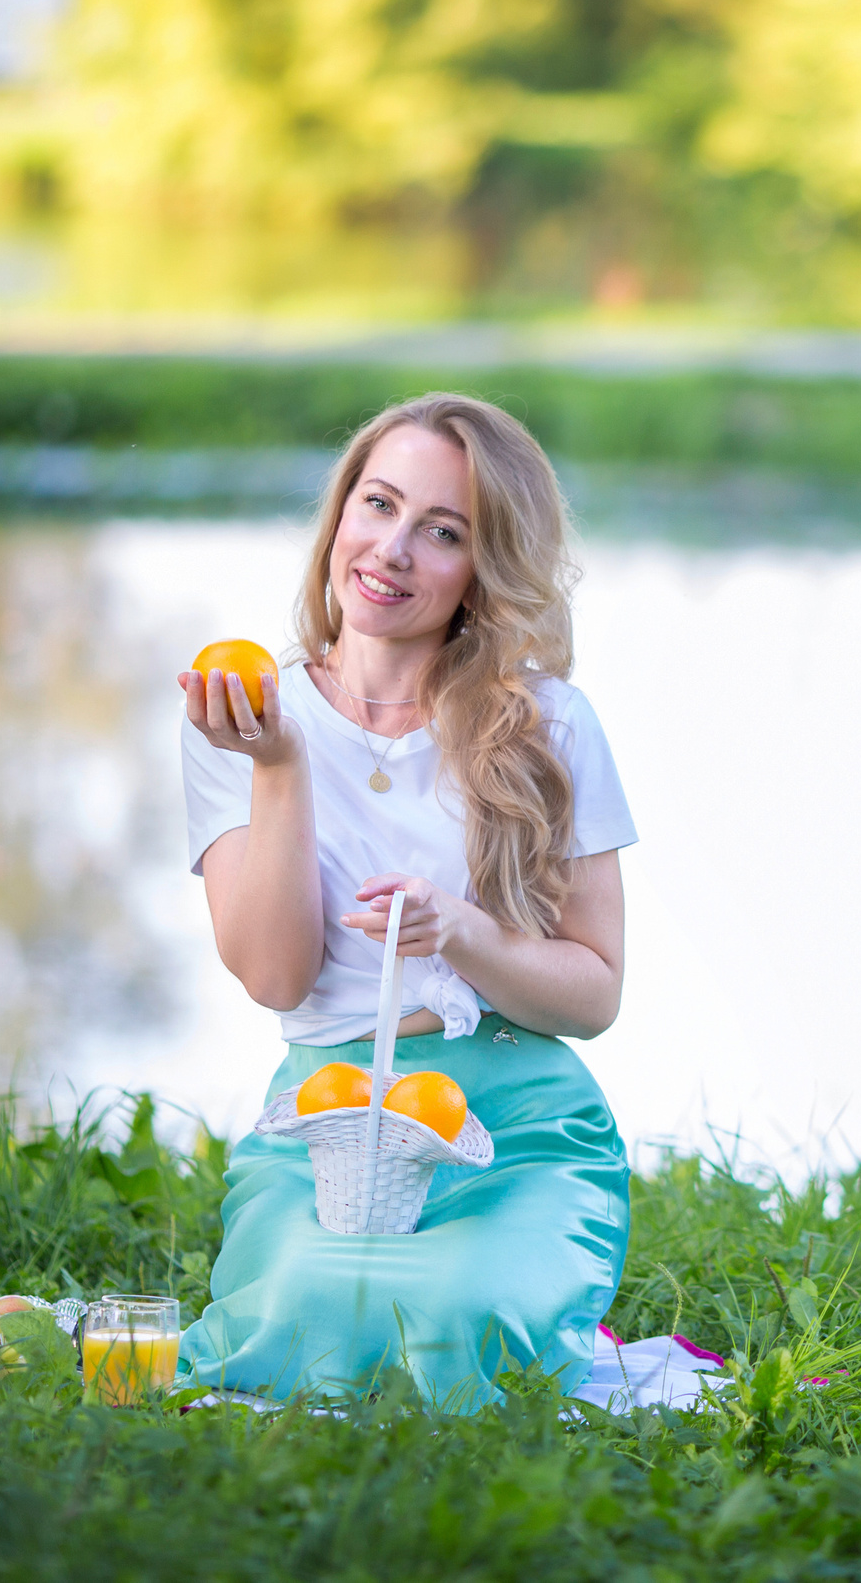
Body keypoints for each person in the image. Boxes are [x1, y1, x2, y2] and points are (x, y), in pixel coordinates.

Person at [174, 392, 636, 1411]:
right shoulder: (244, 717)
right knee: (308, 1305)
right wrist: (281, 767)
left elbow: (594, 997)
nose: (391, 550)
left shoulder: (550, 726)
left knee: (462, 1312)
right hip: (329, 1124)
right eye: (377, 506)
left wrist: (463, 934)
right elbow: (275, 976)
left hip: (515, 1125)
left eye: (443, 533)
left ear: (484, 568)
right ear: (339, 514)